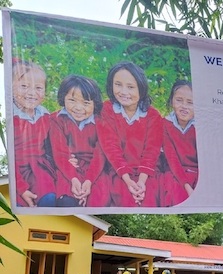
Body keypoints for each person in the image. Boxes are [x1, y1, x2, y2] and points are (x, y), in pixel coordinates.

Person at [98, 61, 162, 207]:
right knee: (126, 199)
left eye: (131, 87)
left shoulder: (153, 116)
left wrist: (141, 181)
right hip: (119, 171)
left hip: (146, 173)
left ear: (141, 88)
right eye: (118, 84)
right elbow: (111, 147)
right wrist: (128, 180)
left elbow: (151, 151)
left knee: (149, 200)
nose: (124, 92)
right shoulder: (106, 110)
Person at [49, 74, 110, 207]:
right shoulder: (56, 120)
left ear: (95, 104)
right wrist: (74, 179)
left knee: (99, 198)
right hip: (68, 167)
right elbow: (60, 153)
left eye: (86, 103)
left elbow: (100, 155)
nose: (78, 108)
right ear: (63, 98)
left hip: (94, 170)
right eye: (72, 100)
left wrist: (88, 181)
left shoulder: (101, 122)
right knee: (66, 199)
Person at [12, 60, 57, 207]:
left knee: (50, 198)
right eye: (24, 86)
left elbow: (54, 144)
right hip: (18, 170)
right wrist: (21, 187)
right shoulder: (11, 117)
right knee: (20, 203)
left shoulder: (44, 115)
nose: (31, 93)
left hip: (41, 169)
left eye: (38, 88)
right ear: (11, 88)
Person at [161, 80, 198, 206]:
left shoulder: (200, 126)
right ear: (172, 101)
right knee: (176, 192)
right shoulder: (164, 124)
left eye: (190, 102)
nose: (184, 106)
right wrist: (187, 187)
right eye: (179, 100)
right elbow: (172, 159)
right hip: (174, 172)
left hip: (196, 172)